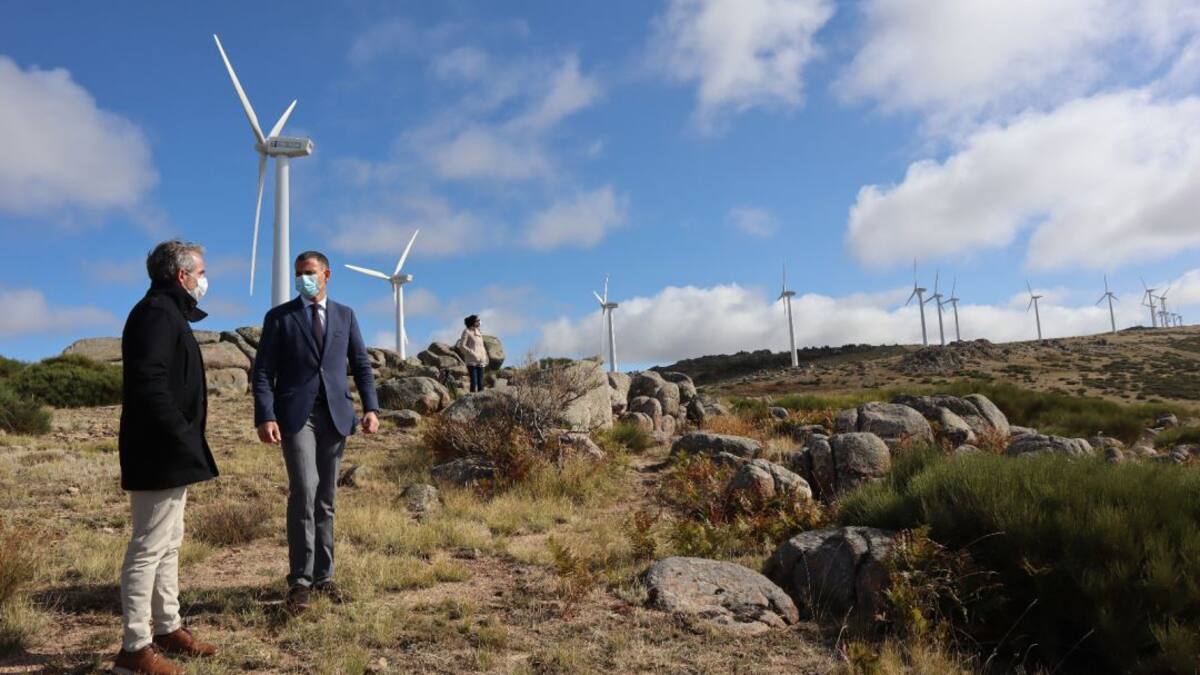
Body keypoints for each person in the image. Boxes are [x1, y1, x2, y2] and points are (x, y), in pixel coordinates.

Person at [250, 250, 380, 613]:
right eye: (298, 274)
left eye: (308, 272)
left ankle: (325, 576)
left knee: (326, 499)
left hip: (336, 415)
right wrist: (265, 415)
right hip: (296, 416)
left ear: (326, 274)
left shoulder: (346, 315)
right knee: (304, 491)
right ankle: (300, 582)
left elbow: (361, 366)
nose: (302, 279)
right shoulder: (280, 318)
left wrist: (371, 408)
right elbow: (262, 373)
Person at [114, 240, 220, 675]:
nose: (203, 280)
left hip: (169, 448)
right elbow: (150, 382)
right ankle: (134, 649)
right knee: (148, 547)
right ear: (181, 275)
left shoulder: (167, 311)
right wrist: (180, 433)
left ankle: (167, 626)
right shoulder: (157, 314)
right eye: (199, 272)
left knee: (169, 543)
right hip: (158, 448)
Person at [457, 315, 489, 392]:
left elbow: (482, 346)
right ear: (473, 322)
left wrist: (485, 356)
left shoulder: (479, 332)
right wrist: (472, 352)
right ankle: (472, 401)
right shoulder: (466, 331)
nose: (479, 322)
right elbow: (462, 345)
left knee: (481, 383)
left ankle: (481, 402)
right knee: (474, 382)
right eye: (478, 320)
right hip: (471, 361)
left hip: (481, 360)